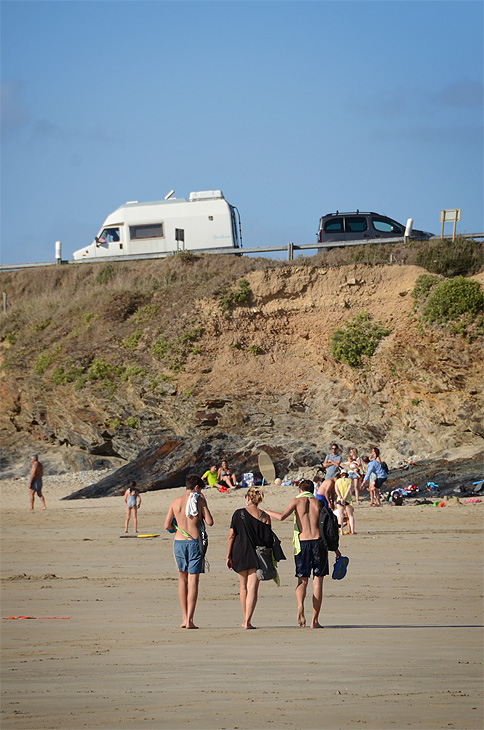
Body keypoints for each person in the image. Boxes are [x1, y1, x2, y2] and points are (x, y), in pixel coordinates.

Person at [264, 479, 341, 629]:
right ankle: (315, 621)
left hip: (302, 544)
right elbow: (328, 528)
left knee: (302, 581)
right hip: (319, 543)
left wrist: (265, 511)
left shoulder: (296, 501)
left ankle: (300, 605)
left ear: (300, 490)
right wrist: (336, 548)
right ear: (312, 490)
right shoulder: (319, 503)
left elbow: (281, 517)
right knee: (317, 582)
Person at [163, 474, 214, 629]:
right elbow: (210, 522)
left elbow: (166, 525)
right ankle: (190, 620)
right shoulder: (199, 501)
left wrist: (176, 527)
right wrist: (203, 505)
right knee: (193, 580)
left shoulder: (175, 502)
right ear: (197, 487)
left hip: (179, 542)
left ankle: (184, 617)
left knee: (182, 579)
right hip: (194, 542)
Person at [226, 486, 273, 629]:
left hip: (239, 551)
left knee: (243, 587)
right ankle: (248, 621)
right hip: (256, 554)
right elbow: (268, 540)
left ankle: (245, 618)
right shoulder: (264, 516)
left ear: (247, 498)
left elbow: (231, 536)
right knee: (252, 588)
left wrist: (228, 555)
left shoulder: (238, 513)